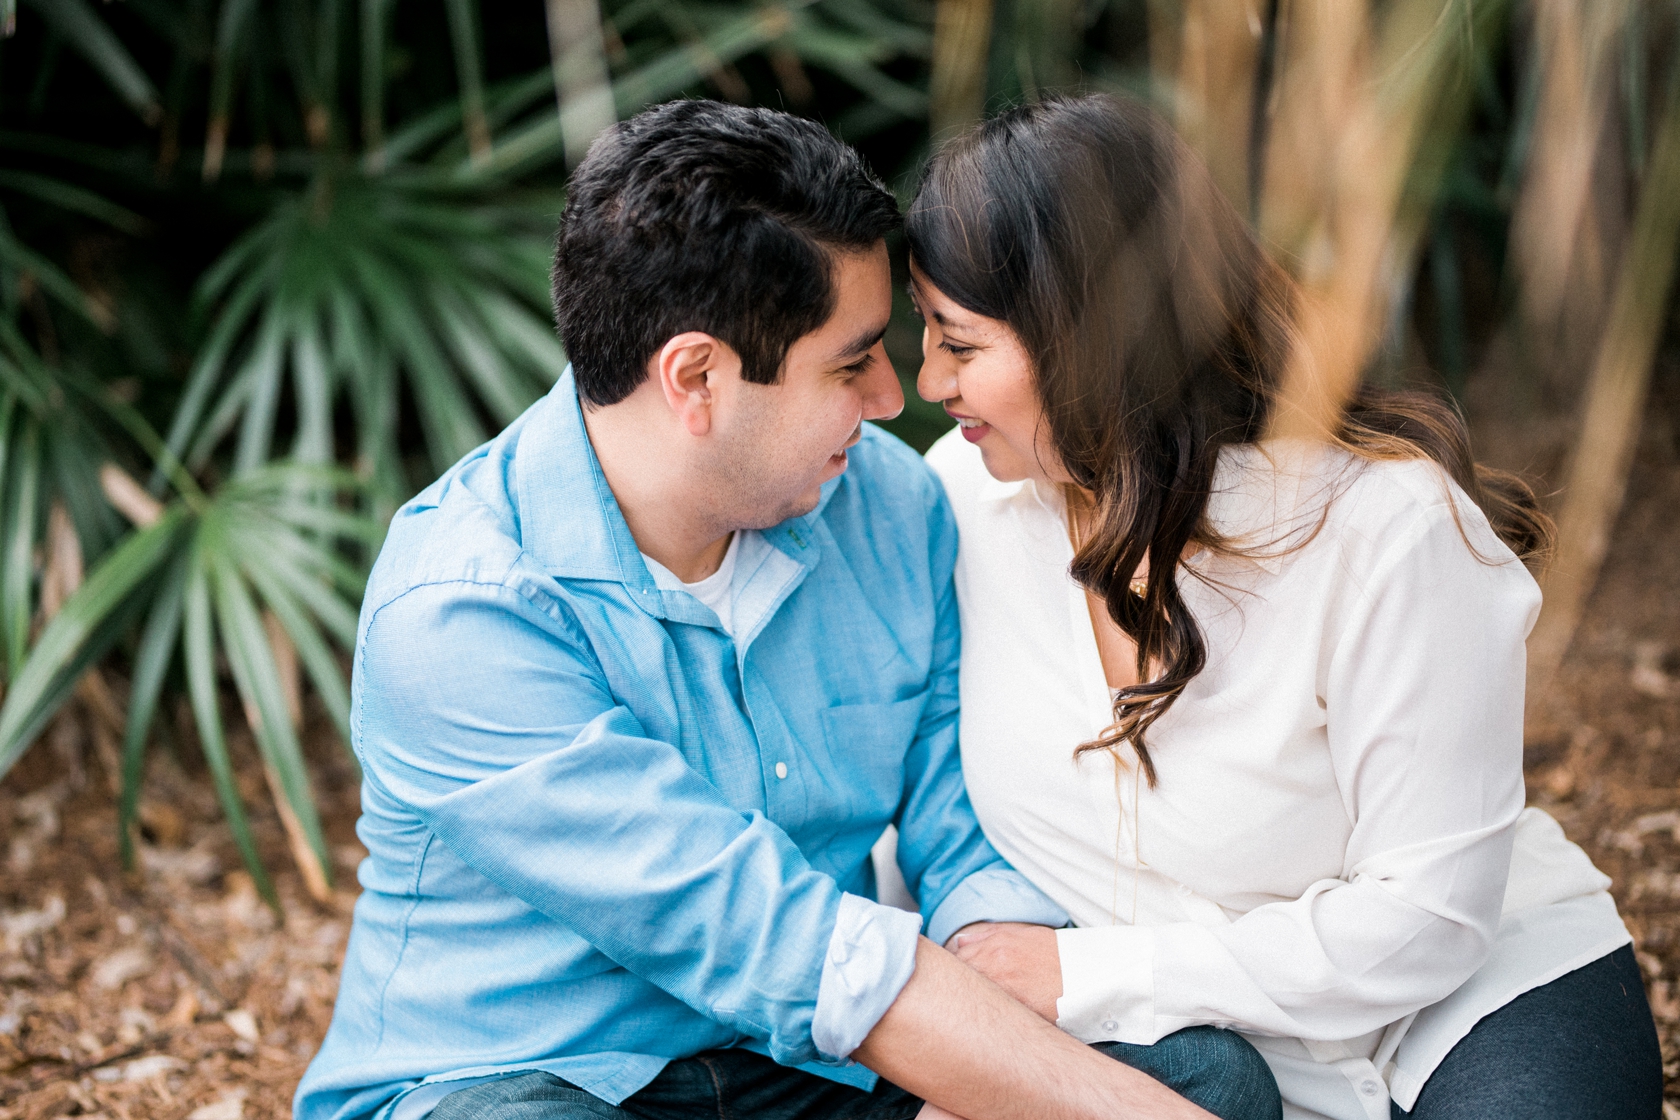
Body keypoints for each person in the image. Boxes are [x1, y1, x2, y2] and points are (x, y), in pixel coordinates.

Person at [293, 99, 1282, 1120]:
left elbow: (966, 824)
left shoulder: (892, 512)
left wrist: (997, 1014)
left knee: (1208, 1076)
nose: (896, 397)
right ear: (697, 378)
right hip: (539, 1080)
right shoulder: (460, 612)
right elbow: (754, 931)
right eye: (851, 362)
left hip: (812, 1075)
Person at [905, 93, 1662, 1120]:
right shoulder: (956, 498)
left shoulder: (1383, 530)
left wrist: (1089, 975)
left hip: (1461, 1000)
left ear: (1085, 337)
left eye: (959, 342)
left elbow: (1429, 918)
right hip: (1191, 1051)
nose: (927, 379)